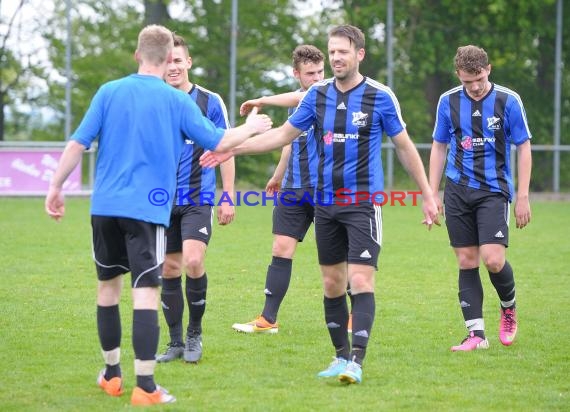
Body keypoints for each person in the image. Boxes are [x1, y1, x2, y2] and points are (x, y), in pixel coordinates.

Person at [44, 25, 271, 406]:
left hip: (104, 209)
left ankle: (112, 375)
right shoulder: (175, 101)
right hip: (146, 211)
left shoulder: (108, 92)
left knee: (107, 290)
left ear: (137, 55)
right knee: (145, 293)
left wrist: (55, 186)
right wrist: (249, 127)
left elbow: (77, 143)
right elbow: (219, 142)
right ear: (168, 60)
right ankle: (145, 386)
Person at [201, 24, 439, 385]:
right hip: (324, 204)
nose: (336, 58)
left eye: (343, 52)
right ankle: (340, 356)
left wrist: (427, 194)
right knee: (331, 283)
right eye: (332, 52)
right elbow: (282, 136)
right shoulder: (317, 96)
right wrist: (230, 148)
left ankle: (356, 362)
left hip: (361, 202)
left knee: (360, 280)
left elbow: (404, 146)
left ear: (359, 54)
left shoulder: (380, 96)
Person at [429, 45, 532, 352]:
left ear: (488, 69)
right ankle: (476, 335)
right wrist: (432, 193)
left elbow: (523, 147)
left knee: (494, 260)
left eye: (478, 78)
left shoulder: (508, 100)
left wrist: (523, 195)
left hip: (494, 189)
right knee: (466, 260)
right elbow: (438, 146)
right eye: (466, 81)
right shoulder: (448, 101)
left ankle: (508, 308)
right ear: (458, 76)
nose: (473, 87)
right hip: (458, 189)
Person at [231, 44, 329, 334]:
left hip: (326, 187)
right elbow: (289, 141)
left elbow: (302, 96)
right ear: (296, 73)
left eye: (320, 71)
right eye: (310, 73)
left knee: (335, 254)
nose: (317, 78)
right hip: (293, 187)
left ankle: (351, 317)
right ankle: (268, 319)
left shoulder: (330, 94)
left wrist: (261, 99)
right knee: (281, 249)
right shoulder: (295, 104)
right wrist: (277, 175)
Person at [155, 35, 235, 364]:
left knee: (192, 261)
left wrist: (227, 195)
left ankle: (194, 334)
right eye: (167, 61)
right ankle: (174, 342)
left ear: (188, 63)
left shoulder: (209, 100)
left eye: (178, 60)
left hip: (197, 197)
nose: (173, 67)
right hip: (158, 200)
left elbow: (225, 147)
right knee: (169, 269)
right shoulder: (153, 100)